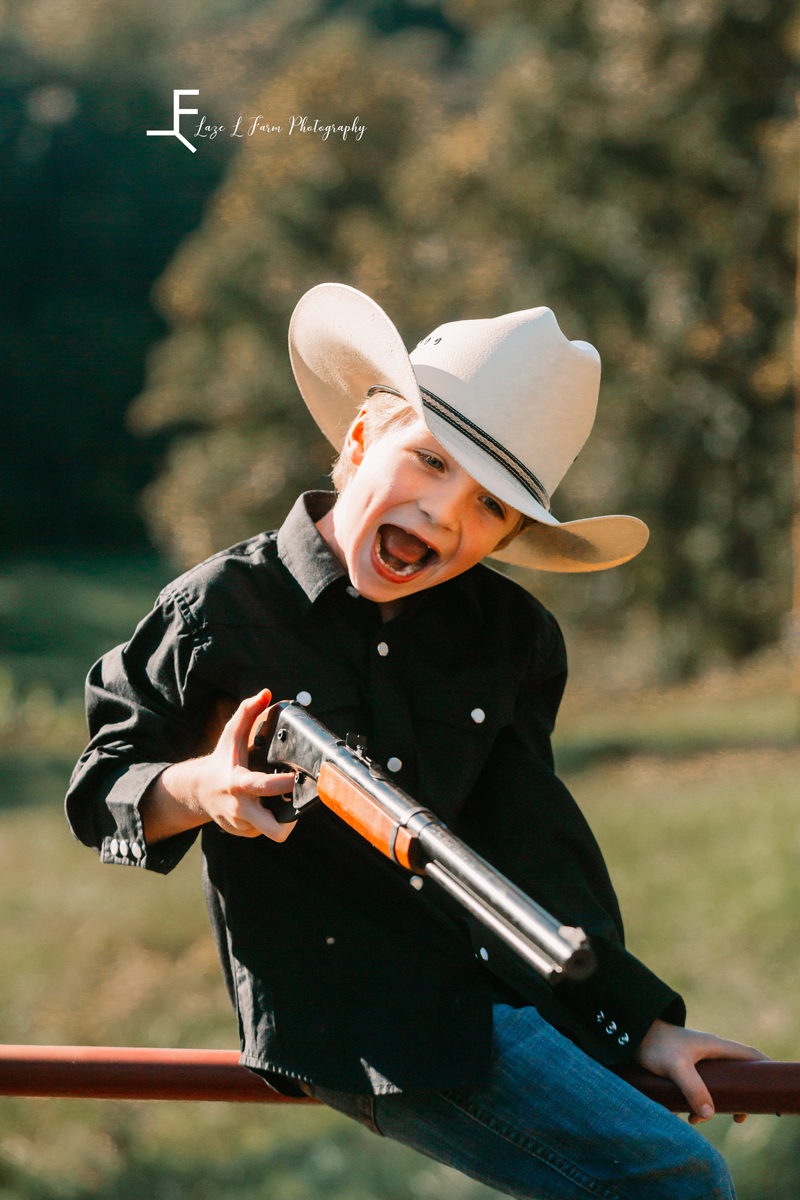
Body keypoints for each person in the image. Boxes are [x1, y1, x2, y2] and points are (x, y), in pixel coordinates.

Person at [66, 284, 765, 1198]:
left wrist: (637, 1025)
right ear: (359, 439)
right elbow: (99, 791)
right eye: (430, 461)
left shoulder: (510, 637)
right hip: (360, 1013)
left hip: (497, 997)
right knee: (675, 1178)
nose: (445, 515)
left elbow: (536, 852)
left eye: (490, 509)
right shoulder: (217, 612)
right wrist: (203, 789)